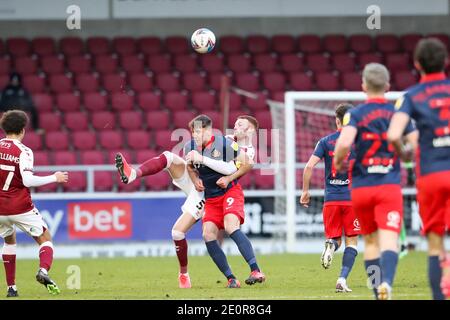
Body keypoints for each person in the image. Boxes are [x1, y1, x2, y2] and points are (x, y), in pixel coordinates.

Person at [115, 115, 258, 288]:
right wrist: (194, 173)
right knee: (169, 157)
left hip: (210, 194)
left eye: (240, 124)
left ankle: (186, 274)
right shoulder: (225, 139)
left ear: (250, 130)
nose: (235, 126)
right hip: (198, 183)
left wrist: (208, 164)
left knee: (178, 233)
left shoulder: (246, 151)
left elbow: (237, 167)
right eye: (235, 123)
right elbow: (193, 162)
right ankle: (133, 174)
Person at [334, 63, 418, 300]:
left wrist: (339, 162)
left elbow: (343, 144)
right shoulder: (398, 113)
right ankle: (387, 285)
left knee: (370, 241)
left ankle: (376, 289)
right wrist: (404, 152)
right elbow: (414, 143)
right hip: (388, 186)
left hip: (361, 187)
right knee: (389, 239)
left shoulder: (355, 114)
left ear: (363, 87)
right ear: (388, 86)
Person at [387, 38, 450, 300]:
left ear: (417, 64)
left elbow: (393, 134)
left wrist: (406, 154)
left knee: (435, 244)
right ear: (445, 61)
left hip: (432, 175)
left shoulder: (411, 96)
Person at [184, 114, 264, 288]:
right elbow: (190, 166)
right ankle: (231, 278)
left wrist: (228, 178)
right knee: (207, 234)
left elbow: (247, 164)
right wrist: (194, 179)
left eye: (240, 124)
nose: (235, 125)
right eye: (193, 131)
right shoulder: (215, 141)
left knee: (230, 226)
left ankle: (255, 269)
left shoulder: (238, 147)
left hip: (229, 191)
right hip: (211, 197)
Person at [0, 110, 68, 297]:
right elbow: (28, 180)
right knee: (45, 239)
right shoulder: (24, 151)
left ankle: (11, 288)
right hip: (20, 206)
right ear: (22, 130)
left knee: (9, 240)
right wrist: (54, 177)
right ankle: (43, 271)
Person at [300, 103, 360, 293]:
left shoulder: (325, 141)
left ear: (336, 120)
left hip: (331, 199)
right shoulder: (358, 142)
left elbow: (309, 167)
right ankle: (342, 280)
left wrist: (305, 191)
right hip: (352, 199)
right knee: (352, 241)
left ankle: (331, 245)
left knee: (336, 239)